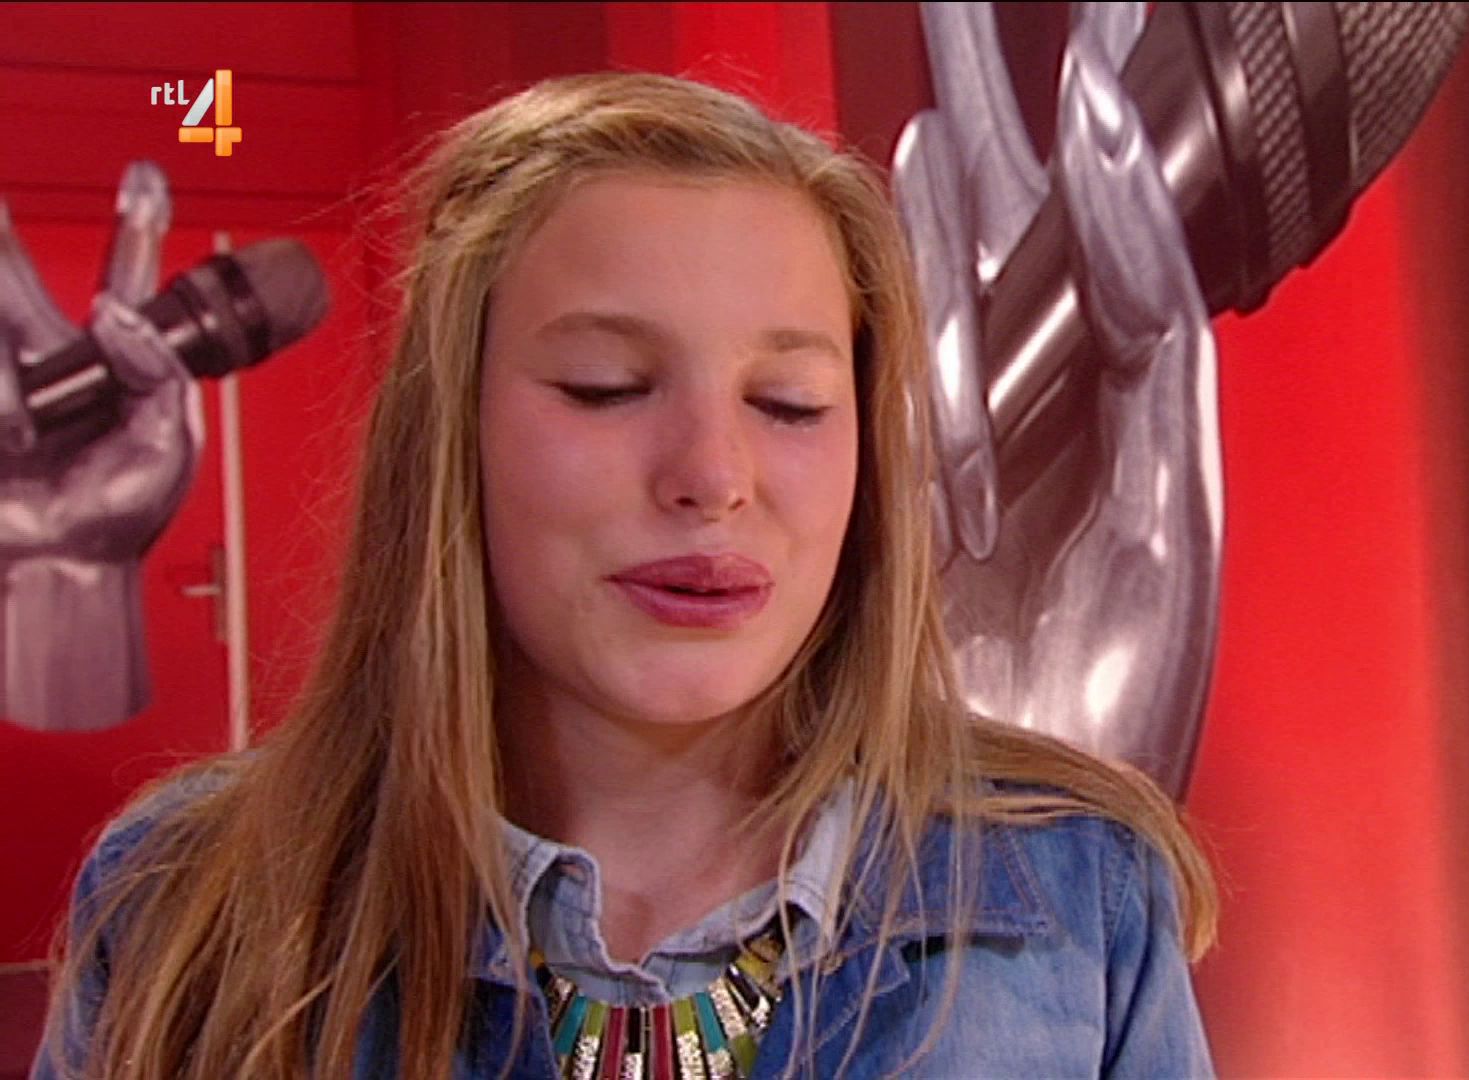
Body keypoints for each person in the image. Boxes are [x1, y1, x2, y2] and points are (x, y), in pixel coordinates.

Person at [34, 72, 1217, 1079]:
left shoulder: (1079, 893)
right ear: (452, 437)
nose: (713, 476)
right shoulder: (186, 903)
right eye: (606, 387)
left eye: (789, 402)